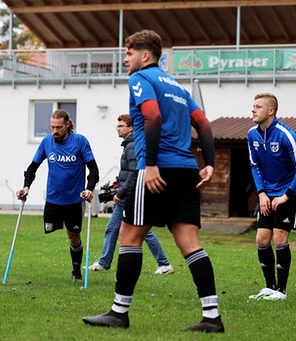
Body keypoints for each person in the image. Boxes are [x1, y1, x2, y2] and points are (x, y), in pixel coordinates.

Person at [82, 29, 223, 333]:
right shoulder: (176, 86)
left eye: (129, 53)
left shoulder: (141, 79)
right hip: (186, 169)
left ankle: (119, 313)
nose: (125, 59)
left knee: (130, 236)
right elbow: (203, 123)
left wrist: (152, 164)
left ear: (145, 55)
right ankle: (212, 316)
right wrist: (209, 163)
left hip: (157, 170)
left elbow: (153, 117)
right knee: (190, 242)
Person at [16, 109, 99, 282]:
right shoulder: (47, 142)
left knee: (73, 236)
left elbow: (93, 170)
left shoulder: (80, 141)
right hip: (53, 199)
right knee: (49, 230)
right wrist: (26, 187)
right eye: (52, 127)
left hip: (75, 200)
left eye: (58, 127)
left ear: (67, 125)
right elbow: (32, 168)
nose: (54, 131)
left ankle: (76, 271)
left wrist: (89, 188)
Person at [88, 114, 173, 275]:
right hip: (128, 195)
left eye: (121, 126)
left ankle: (164, 264)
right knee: (112, 228)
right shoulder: (129, 144)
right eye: (117, 126)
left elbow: (135, 172)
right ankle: (104, 262)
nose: (118, 129)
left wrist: (120, 192)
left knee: (143, 231)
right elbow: (128, 171)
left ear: (131, 128)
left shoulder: (132, 145)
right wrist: (117, 181)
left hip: (132, 197)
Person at [247, 93, 296, 301]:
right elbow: (255, 166)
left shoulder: (285, 134)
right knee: (261, 239)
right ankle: (269, 287)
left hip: (286, 193)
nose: (253, 110)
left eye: (258, 107)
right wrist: (262, 193)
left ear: (271, 111)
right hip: (267, 194)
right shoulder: (252, 135)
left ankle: (281, 291)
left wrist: (287, 195)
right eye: (253, 106)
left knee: (280, 237)